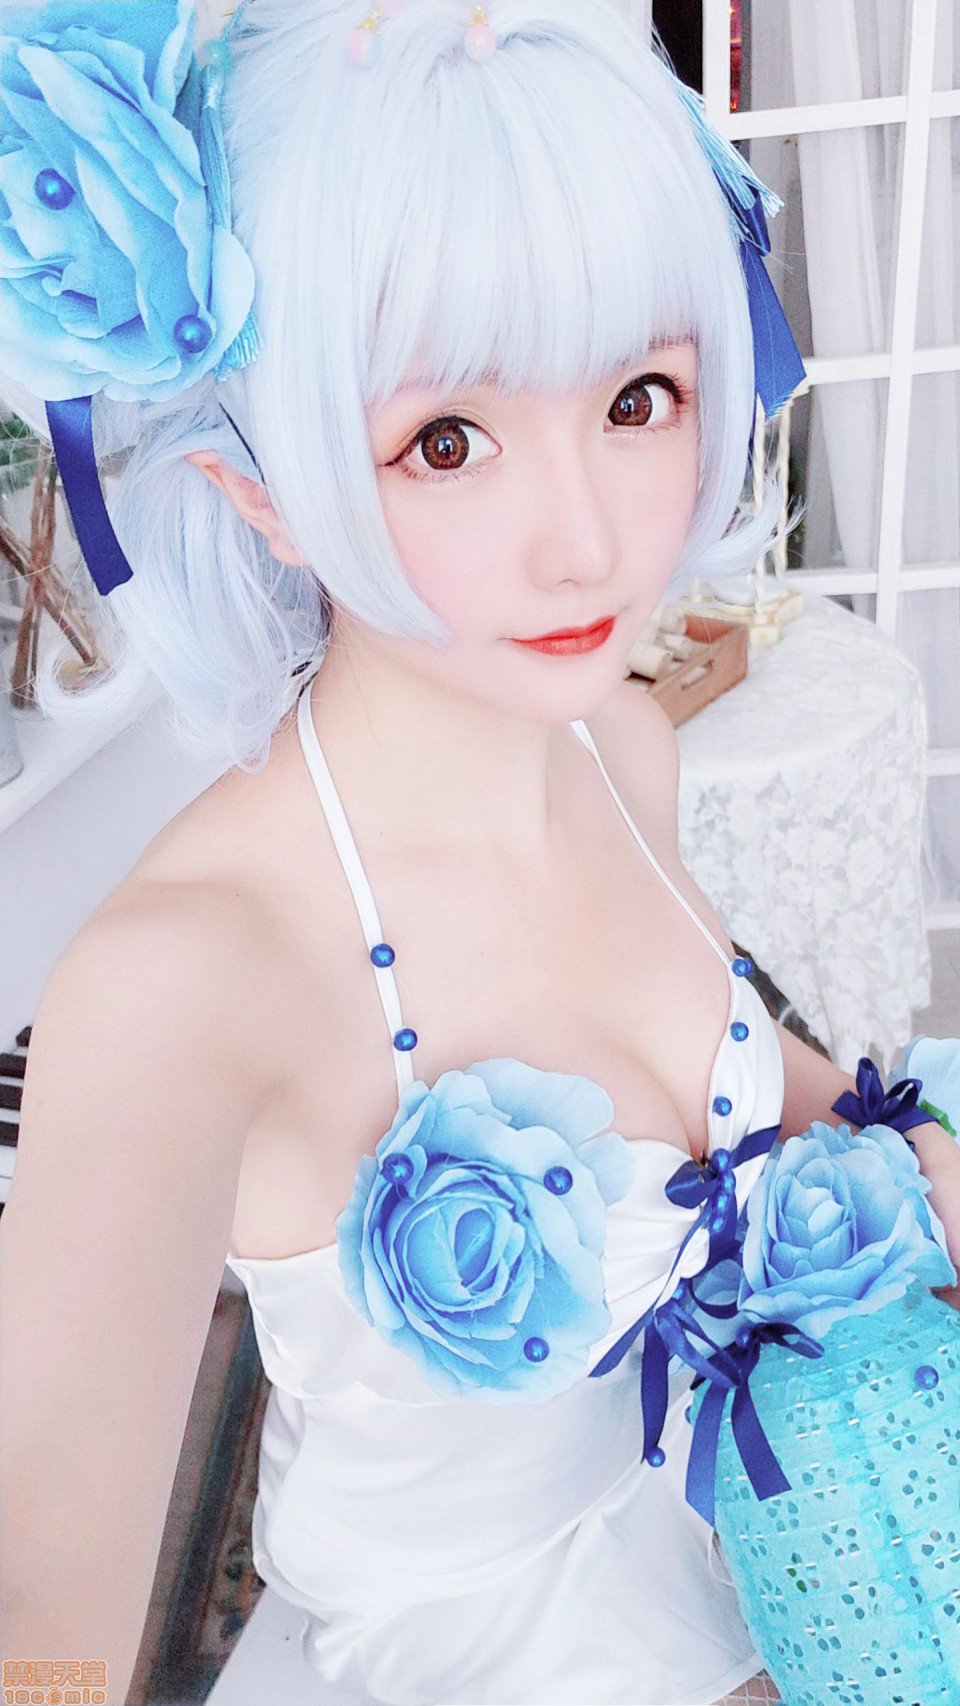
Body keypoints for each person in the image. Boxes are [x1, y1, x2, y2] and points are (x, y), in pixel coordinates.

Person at [5, 1, 928, 1701]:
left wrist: (905, 1158)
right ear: (263, 483)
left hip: (773, 1598)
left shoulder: (621, 749)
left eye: (639, 395)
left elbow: (769, 1084)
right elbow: (37, 1628)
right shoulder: (184, 976)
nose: (585, 537)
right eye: (447, 440)